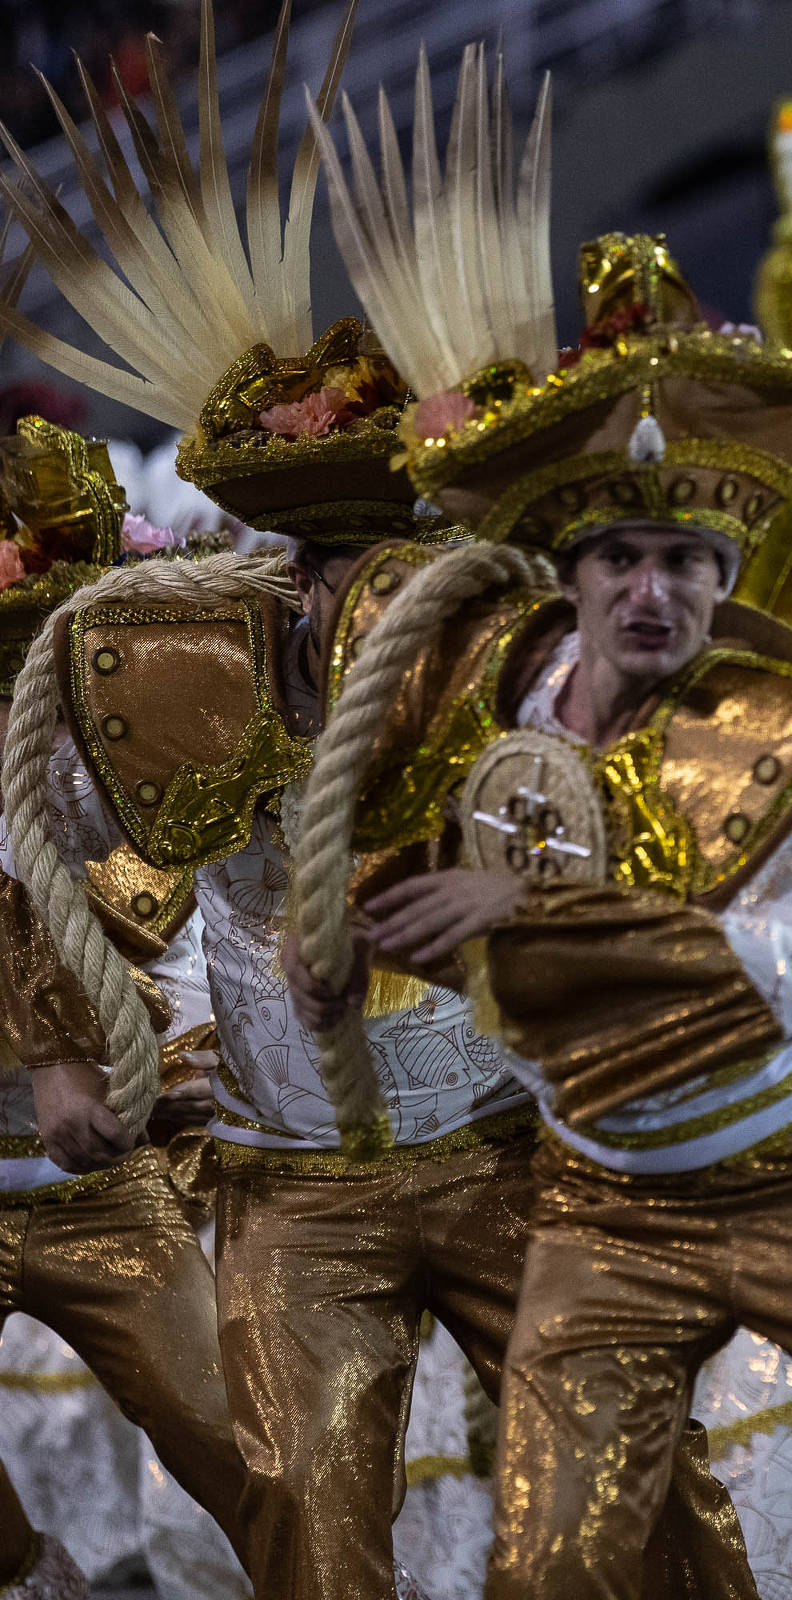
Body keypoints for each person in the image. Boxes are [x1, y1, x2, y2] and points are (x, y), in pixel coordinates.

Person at [0, 25, 754, 1597]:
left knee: (649, 1484)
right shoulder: (176, 667)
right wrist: (60, 1048)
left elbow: (631, 834)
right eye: (323, 565)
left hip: (495, 1148)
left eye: (381, 560)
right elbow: (37, 858)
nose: (352, 598)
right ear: (259, 554)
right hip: (291, 1187)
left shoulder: (504, 653)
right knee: (307, 1527)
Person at [291, 199, 792, 1595]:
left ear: (724, 583)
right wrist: (354, 951)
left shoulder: (785, 733)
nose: (654, 589)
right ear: (571, 582)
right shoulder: (501, 710)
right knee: (547, 1570)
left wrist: (519, 918)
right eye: (622, 558)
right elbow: (433, 893)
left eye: (688, 564)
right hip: (604, 1207)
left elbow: (777, 975)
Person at [0, 417, 249, 1594]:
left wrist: (70, 1051)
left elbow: (126, 902)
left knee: (258, 1472)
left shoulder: (123, 763)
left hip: (109, 1182)